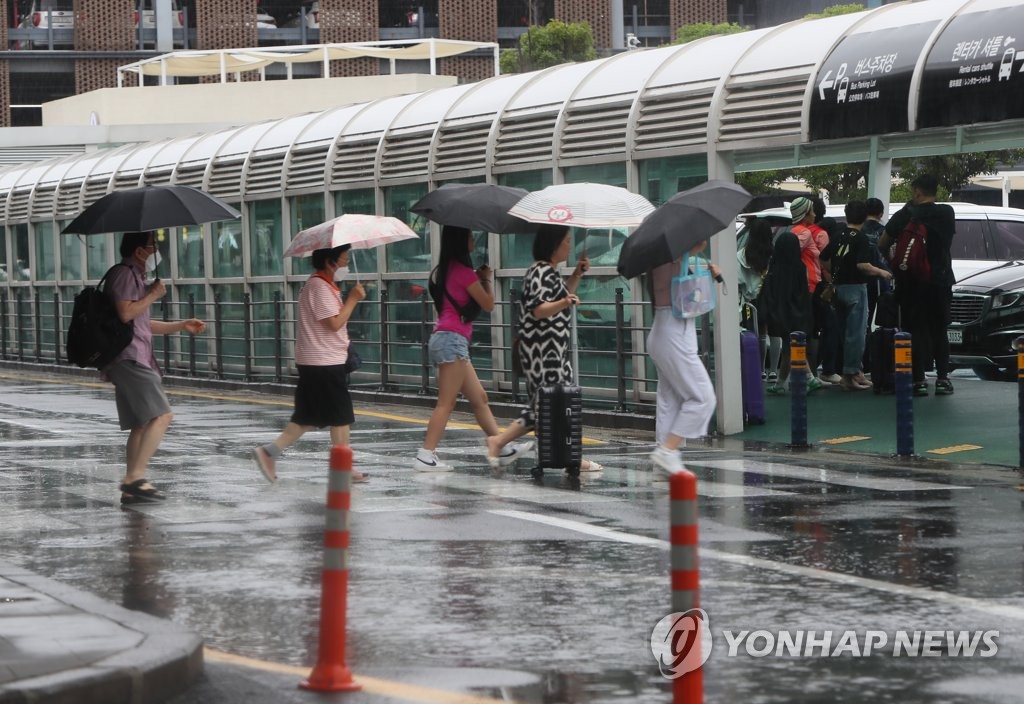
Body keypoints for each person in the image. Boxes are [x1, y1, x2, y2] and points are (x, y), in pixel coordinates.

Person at [485, 224, 602, 472]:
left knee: (554, 404)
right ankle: (501, 441)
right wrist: (565, 301)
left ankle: (568, 457)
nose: (571, 246)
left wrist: (576, 276)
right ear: (554, 244)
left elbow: (558, 297)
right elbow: (539, 309)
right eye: (567, 241)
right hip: (543, 352)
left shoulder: (548, 271)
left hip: (552, 351)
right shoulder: (540, 271)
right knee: (548, 405)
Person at [414, 226, 528, 471]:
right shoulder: (463, 272)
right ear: (459, 240)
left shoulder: (444, 271)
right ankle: (425, 454)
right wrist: (485, 278)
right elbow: (488, 304)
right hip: (452, 340)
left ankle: (502, 447)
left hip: (448, 339)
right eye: (468, 236)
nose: (472, 239)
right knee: (446, 403)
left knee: (479, 399)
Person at [105, 231, 207, 504]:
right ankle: (135, 478)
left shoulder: (133, 275)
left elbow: (141, 324)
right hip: (130, 358)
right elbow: (126, 312)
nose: (155, 251)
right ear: (139, 251)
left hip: (131, 356)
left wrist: (181, 324)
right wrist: (153, 294)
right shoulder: (125, 274)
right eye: (152, 246)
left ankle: (130, 487)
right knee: (162, 416)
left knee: (141, 423)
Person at [253, 245, 367, 482]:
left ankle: (269, 453)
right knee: (340, 416)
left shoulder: (321, 286)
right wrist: (353, 299)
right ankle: (342, 467)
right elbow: (334, 324)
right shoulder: (319, 287)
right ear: (330, 263)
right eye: (344, 261)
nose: (346, 265)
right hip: (323, 361)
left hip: (317, 360)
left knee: (308, 417)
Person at [878, 174, 956, 396]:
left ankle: (919, 381)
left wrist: (896, 263)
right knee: (940, 329)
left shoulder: (906, 215)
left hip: (911, 282)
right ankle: (942, 379)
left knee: (915, 330)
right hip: (940, 280)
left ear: (916, 192)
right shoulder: (946, 213)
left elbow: (882, 243)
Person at [647, 241, 719, 474]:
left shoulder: (661, 262)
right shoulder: (675, 255)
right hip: (674, 334)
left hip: (663, 330)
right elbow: (698, 244)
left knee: (669, 400)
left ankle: (663, 462)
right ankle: (667, 451)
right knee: (702, 397)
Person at [820, 201, 893, 391]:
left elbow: (823, 258)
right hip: (856, 289)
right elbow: (863, 265)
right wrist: (882, 272)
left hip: (837, 290)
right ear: (863, 217)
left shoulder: (837, 235)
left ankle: (854, 372)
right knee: (857, 334)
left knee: (845, 333)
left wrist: (836, 271)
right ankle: (850, 375)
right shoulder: (860, 239)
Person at [761, 230, 812, 394]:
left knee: (789, 349)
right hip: (800, 312)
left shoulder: (774, 269)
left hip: (782, 314)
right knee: (793, 348)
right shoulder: (800, 267)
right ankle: (801, 379)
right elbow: (805, 290)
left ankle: (788, 382)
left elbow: (770, 294)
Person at [788, 197, 826, 392]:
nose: (815, 214)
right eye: (811, 211)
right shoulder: (803, 233)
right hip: (808, 285)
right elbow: (792, 253)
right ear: (804, 213)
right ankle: (809, 376)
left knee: (794, 332)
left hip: (802, 286)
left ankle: (783, 380)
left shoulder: (791, 231)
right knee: (803, 331)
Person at [737, 218, 778, 381]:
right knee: (776, 333)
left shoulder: (742, 255)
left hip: (751, 300)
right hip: (772, 297)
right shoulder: (774, 254)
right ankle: (774, 371)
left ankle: (760, 369)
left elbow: (738, 279)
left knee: (759, 332)